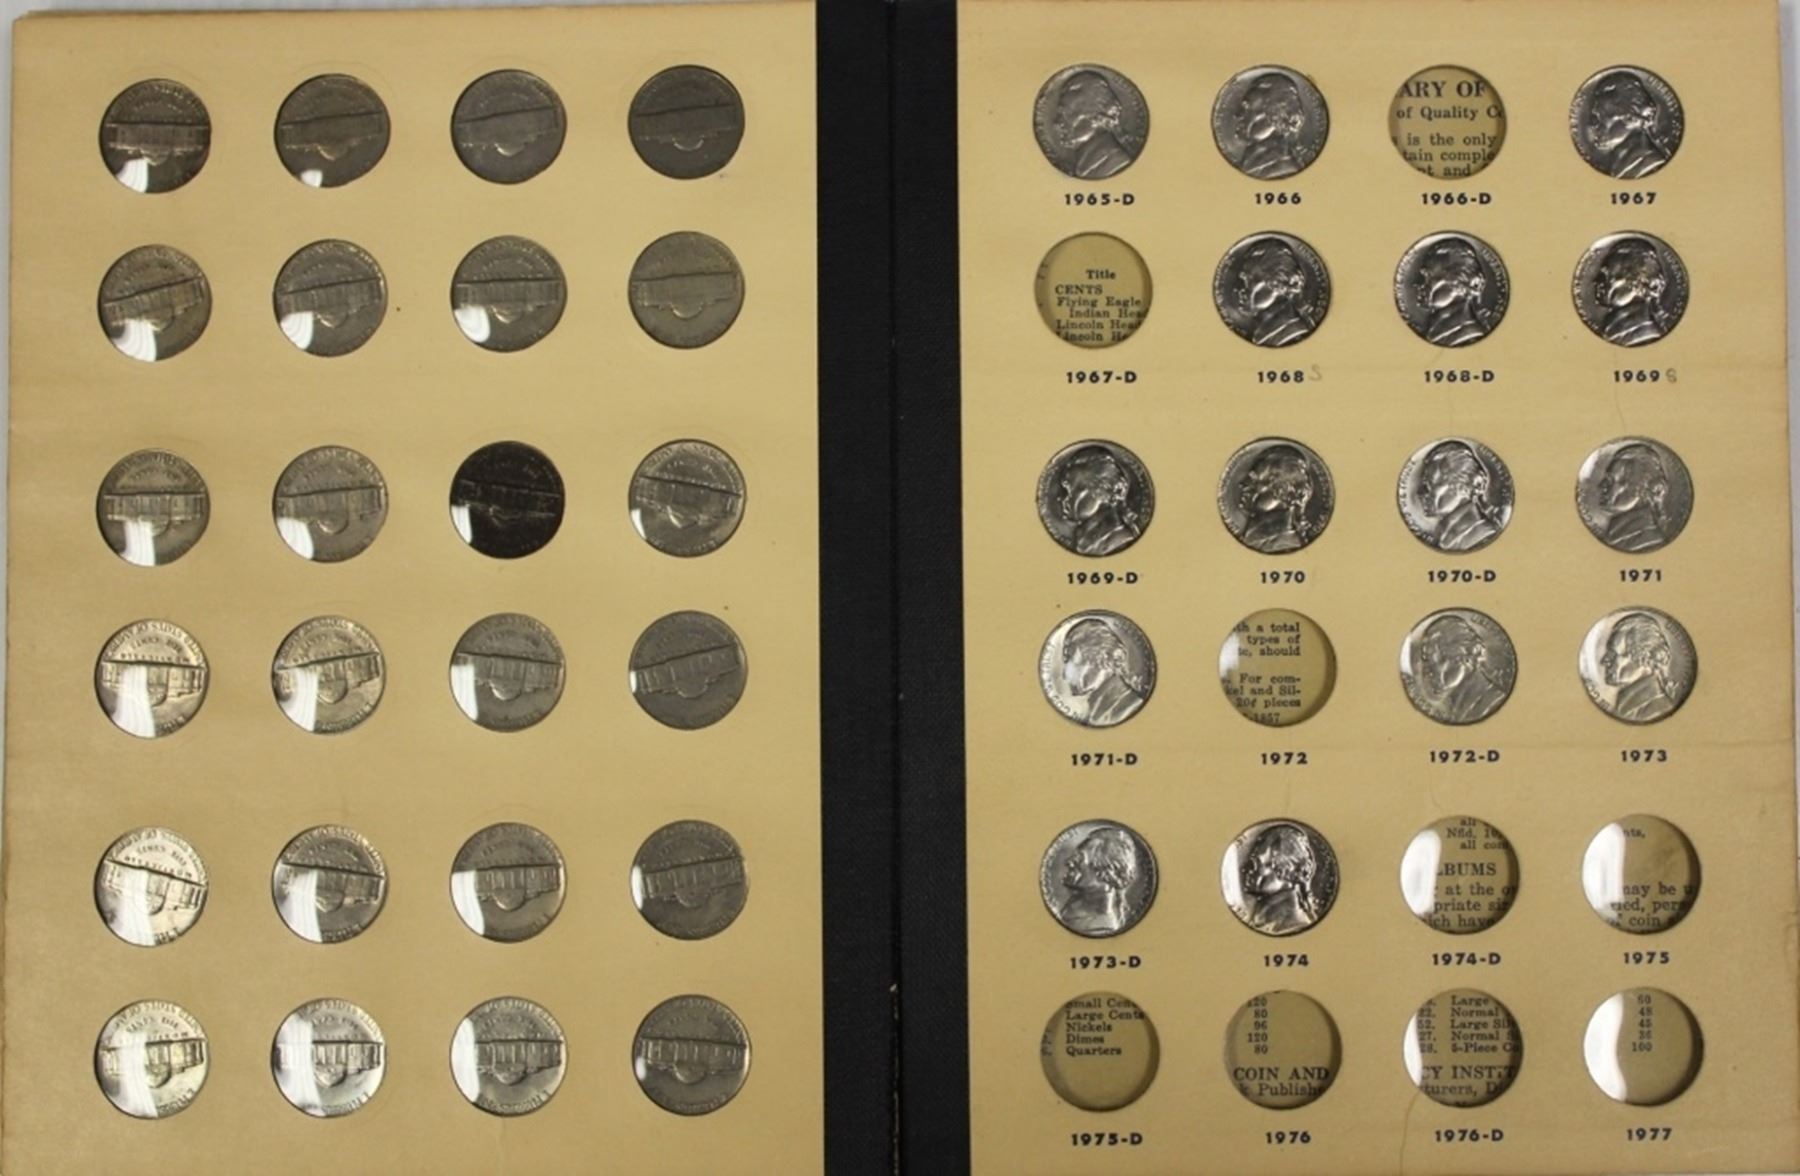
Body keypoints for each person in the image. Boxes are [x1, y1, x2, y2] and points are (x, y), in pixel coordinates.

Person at [1416, 614, 1510, 722]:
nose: (1428, 672)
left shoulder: (1493, 700)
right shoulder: (1453, 709)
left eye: (1437, 661)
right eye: (1426, 662)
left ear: (1464, 656)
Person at [1415, 441, 1505, 551]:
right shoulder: (1442, 539)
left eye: (1430, 484)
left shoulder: (1484, 536)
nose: (1420, 492)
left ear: (1463, 487)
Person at [1583, 71, 1674, 179]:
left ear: (1630, 117)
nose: (1592, 124)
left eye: (1602, 115)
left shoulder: (1652, 164)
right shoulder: (1614, 168)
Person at [1055, 447, 1144, 555]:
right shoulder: (1083, 542)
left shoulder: (1121, 541)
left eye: (1071, 489)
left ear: (1103, 491)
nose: (1061, 498)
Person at [1060, 618, 1147, 726]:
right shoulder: (1098, 710)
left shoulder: (1129, 707)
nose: (1064, 675)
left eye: (1073, 661)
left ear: (1103, 659)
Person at [1056, 826, 1143, 934]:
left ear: (1105, 872)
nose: (1068, 862)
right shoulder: (1073, 912)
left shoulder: (1100, 928)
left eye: (1080, 858)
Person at [1410, 239, 1496, 346]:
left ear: (1459, 281)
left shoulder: (1469, 336)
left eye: (1428, 276)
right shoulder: (1435, 334)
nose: (1417, 284)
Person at [1235, 445, 1321, 552]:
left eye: (1254, 479)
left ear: (1282, 489)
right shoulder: (1256, 540)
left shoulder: (1282, 546)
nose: (1243, 484)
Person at [1050, 71, 1135, 178]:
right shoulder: (1084, 166)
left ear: (1096, 115)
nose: (1057, 123)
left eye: (1067, 113)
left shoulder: (1116, 164)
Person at [1233, 240, 1318, 347]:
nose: (1239, 289)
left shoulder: (1294, 333)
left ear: (1277, 283)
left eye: (1249, 279)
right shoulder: (1261, 336)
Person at [1242, 823, 1323, 934]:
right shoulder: (1263, 919)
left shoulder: (1293, 925)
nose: (1246, 869)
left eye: (1256, 864)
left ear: (1285, 869)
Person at [1599, 612, 1680, 722]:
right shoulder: (1629, 707)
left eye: (1613, 654)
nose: (1604, 660)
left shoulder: (1657, 710)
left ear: (1644, 658)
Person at [1596, 238, 1676, 346]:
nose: (1596, 281)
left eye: (1608, 273)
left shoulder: (1645, 336)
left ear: (1637, 280)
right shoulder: (1612, 332)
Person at [1596, 443, 1675, 551]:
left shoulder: (1646, 541)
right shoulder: (1617, 534)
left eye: (1611, 480)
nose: (1601, 486)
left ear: (1642, 487)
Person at [1231, 72, 1309, 179]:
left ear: (1275, 114)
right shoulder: (1252, 164)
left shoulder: (1284, 170)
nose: (1237, 115)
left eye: (1247, 107)